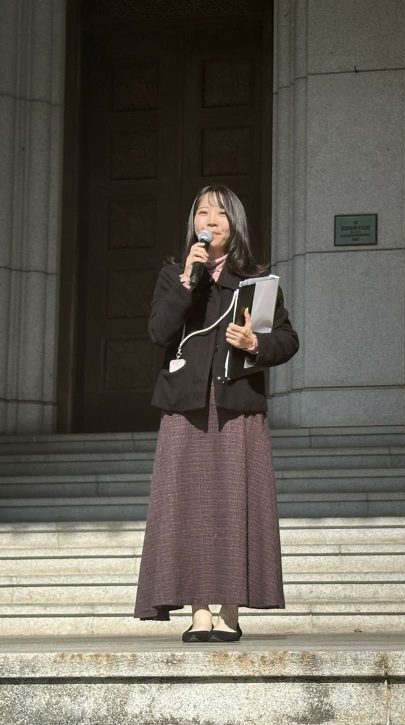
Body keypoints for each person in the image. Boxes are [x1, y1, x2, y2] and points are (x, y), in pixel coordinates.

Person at [133, 185, 299, 642]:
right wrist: (189, 278)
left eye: (221, 213)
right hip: (184, 403)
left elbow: (287, 340)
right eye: (203, 212)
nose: (211, 219)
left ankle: (229, 611)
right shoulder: (176, 275)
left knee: (233, 504)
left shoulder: (257, 281)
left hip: (236, 406)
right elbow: (159, 331)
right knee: (186, 505)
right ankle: (198, 610)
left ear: (235, 224)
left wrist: (255, 345)